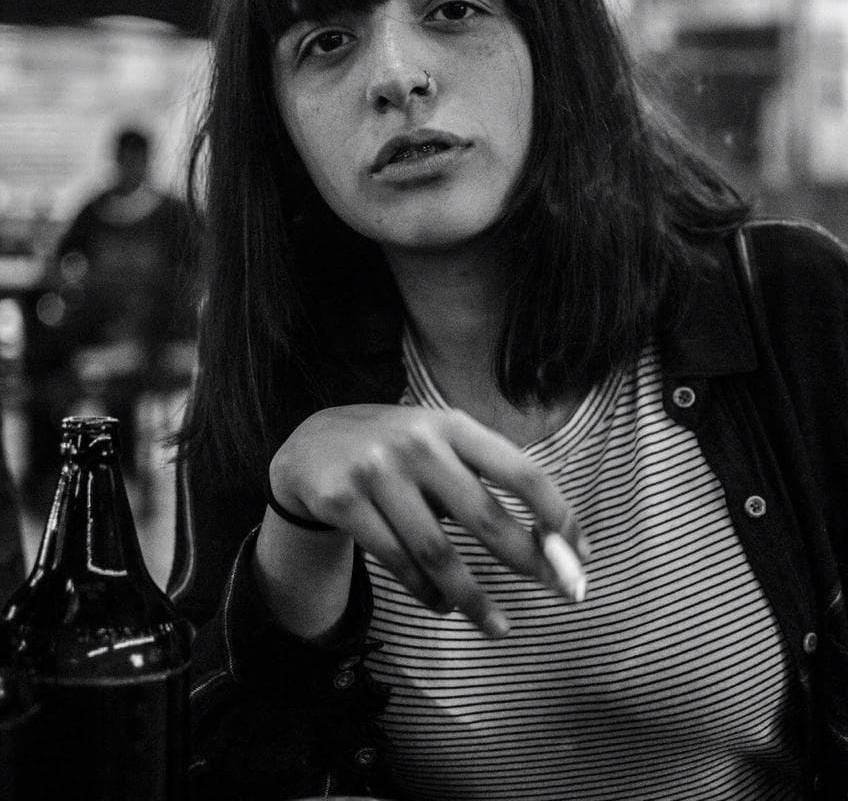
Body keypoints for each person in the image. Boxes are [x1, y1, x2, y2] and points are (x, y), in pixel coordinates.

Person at [170, 0, 848, 798]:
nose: (396, 77)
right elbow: (199, 763)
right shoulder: (272, 384)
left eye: (454, 9)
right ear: (277, 117)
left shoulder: (787, 307)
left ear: (552, 43)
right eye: (326, 41)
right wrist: (298, 535)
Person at [49, 126, 196, 482]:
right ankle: (63, 470)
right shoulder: (95, 210)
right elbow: (60, 261)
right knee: (53, 368)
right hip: (102, 330)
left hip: (157, 335)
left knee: (123, 378)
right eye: (125, 159)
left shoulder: (173, 214)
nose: (130, 166)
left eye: (136, 159)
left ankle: (121, 471)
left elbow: (199, 269)